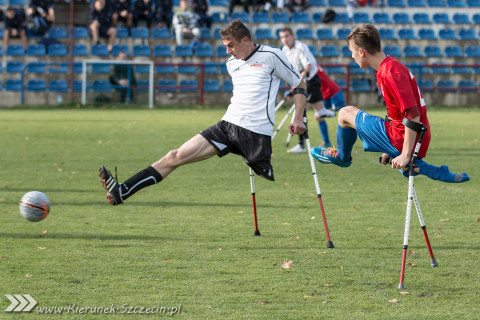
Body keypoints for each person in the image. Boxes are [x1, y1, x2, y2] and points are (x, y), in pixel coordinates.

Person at [99, 20, 308, 205]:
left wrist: (297, 118)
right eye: (225, 46)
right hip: (227, 125)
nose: (228, 51)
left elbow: (299, 83)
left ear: (246, 40)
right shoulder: (231, 64)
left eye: (231, 45)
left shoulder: (271, 55)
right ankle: (122, 191)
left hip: (254, 132)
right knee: (175, 156)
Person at [311, 24, 470, 184]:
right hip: (412, 137)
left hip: (403, 137)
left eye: (352, 51)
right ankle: (434, 171)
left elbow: (412, 114)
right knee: (354, 116)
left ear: (361, 52)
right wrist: (389, 149)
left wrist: (405, 153)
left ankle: (341, 156)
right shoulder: (387, 67)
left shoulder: (390, 72)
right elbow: (397, 113)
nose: (352, 56)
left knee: (345, 113)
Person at [279, 27, 335, 154]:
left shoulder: (300, 47)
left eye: (287, 36)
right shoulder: (284, 50)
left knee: (301, 111)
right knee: (317, 115)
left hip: (311, 80)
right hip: (302, 82)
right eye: (282, 37)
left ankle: (301, 145)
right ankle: (324, 113)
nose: (285, 40)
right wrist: (293, 85)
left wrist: (298, 80)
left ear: (292, 36)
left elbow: (308, 66)